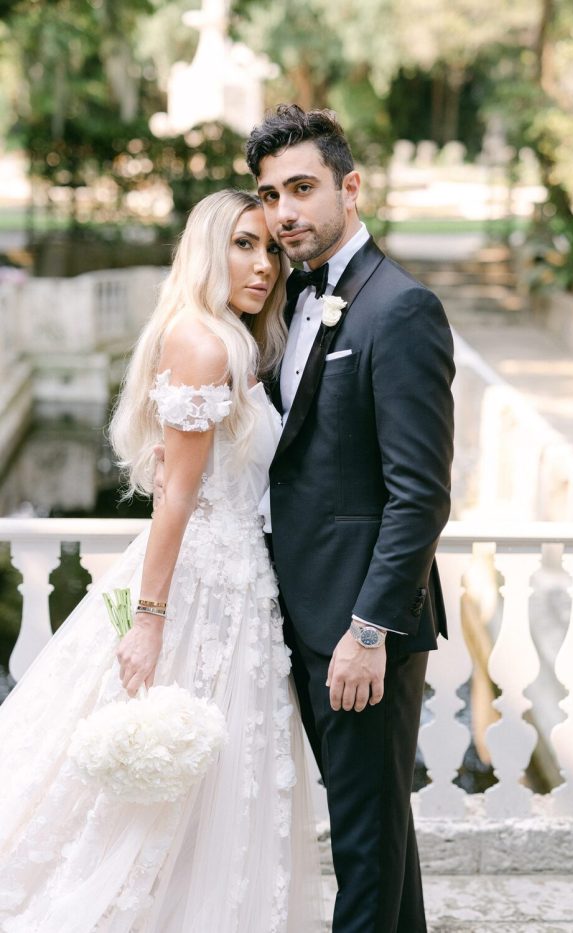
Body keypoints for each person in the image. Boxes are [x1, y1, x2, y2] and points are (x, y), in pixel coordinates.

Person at [0, 189, 322, 933]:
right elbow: (175, 496)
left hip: (240, 582)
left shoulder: (230, 339)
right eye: (243, 244)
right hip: (202, 586)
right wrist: (149, 620)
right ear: (208, 249)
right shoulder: (205, 344)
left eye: (271, 249)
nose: (264, 265)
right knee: (165, 775)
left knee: (215, 782)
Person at [247, 105, 455, 933]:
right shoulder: (290, 298)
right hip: (303, 614)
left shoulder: (398, 308)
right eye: (270, 195)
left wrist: (366, 630)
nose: (283, 212)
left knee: (363, 848)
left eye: (302, 188)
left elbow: (420, 493)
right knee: (377, 832)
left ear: (350, 186)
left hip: (361, 629)